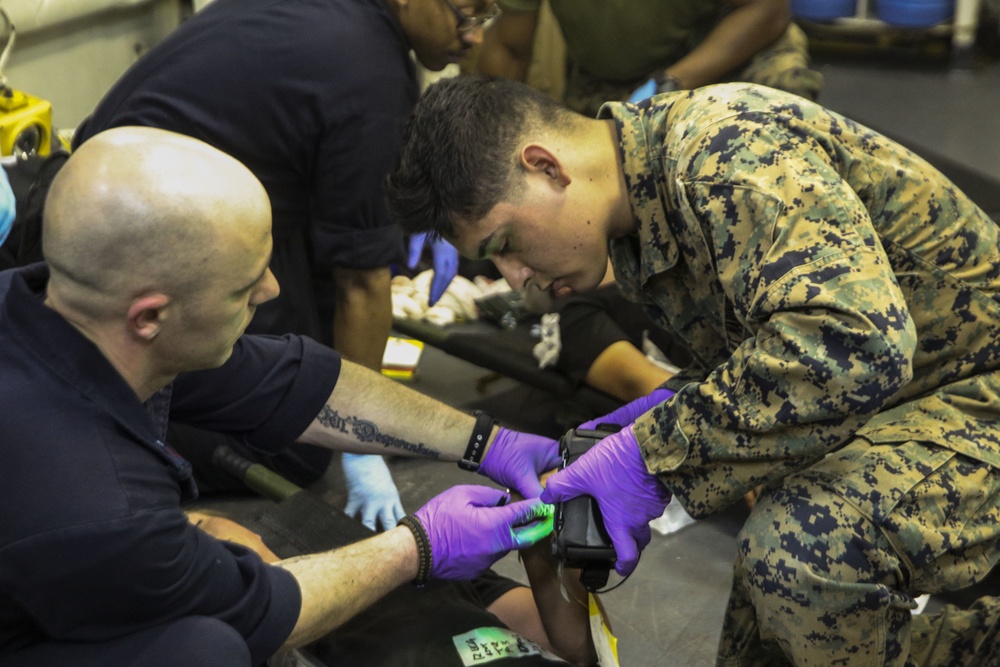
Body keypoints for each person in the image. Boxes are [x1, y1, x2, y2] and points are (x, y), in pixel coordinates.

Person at [385, 75, 1000, 665]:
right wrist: (645, 426)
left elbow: (859, 344)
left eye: (504, 245)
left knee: (804, 551)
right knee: (765, 641)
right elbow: (768, 351)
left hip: (977, 388)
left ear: (546, 166)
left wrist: (648, 455)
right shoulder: (639, 216)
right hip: (909, 389)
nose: (514, 279)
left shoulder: (724, 160)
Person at [0, 126, 570, 666]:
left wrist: (486, 442)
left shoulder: (59, 312)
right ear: (150, 315)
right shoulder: (94, 499)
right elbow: (255, 613)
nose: (272, 289)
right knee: (201, 650)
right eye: (245, 286)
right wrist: (417, 546)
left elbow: (290, 383)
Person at [71, 0, 499, 527]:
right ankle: (112, 424)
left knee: (316, 347)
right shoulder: (370, 73)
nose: (476, 36)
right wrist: (362, 441)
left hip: (104, 193)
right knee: (296, 442)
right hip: (134, 234)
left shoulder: (343, 22)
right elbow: (362, 283)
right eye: (467, 13)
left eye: (488, 15)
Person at [476, 0, 823, 117]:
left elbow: (768, 9)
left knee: (778, 115)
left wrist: (670, 82)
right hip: (612, 77)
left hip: (724, 57)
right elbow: (509, 48)